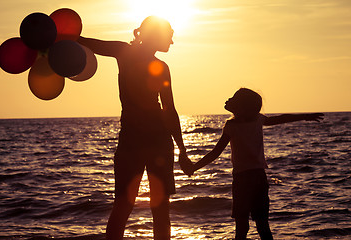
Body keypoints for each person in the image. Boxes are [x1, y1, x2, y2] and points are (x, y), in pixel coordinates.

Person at [78, 16, 192, 240]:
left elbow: (89, 42)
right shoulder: (150, 62)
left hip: (135, 138)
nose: (172, 41)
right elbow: (169, 110)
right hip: (153, 140)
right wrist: (182, 150)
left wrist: (182, 150)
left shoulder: (128, 54)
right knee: (156, 209)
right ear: (156, 35)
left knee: (124, 205)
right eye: (169, 35)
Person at [190, 88, 324, 240]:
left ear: (241, 107)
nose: (228, 99)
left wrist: (194, 167)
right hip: (259, 177)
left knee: (242, 226)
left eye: (234, 98)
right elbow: (282, 118)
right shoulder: (257, 120)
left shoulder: (232, 126)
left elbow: (215, 152)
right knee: (262, 225)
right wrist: (305, 117)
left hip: (242, 180)